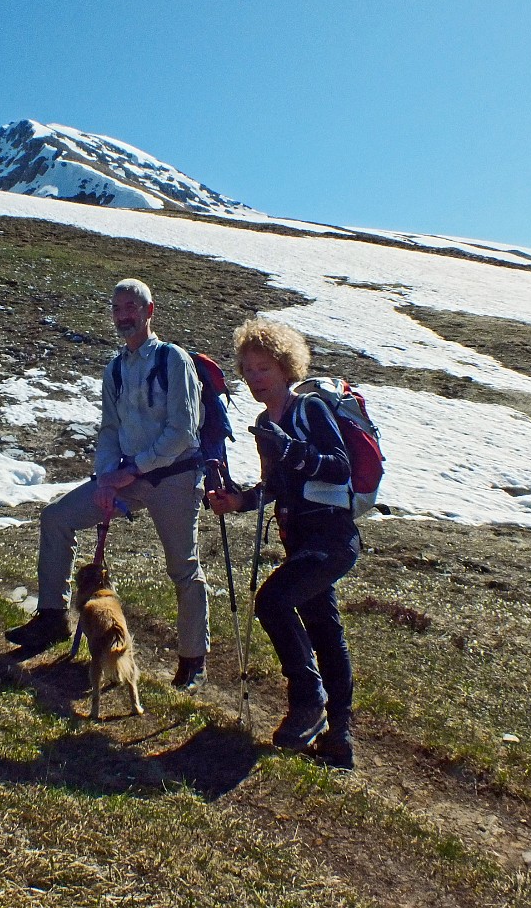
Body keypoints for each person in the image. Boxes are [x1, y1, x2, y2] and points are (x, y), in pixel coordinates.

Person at [7, 278, 211, 690]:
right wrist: (104, 478)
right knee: (56, 518)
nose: (123, 315)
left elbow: (183, 433)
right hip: (129, 477)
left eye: (131, 307)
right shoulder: (115, 369)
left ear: (149, 311)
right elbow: (109, 430)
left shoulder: (174, 360)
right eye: (117, 308)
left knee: (183, 568)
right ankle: (52, 618)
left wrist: (131, 469)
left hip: (174, 476)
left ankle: (193, 658)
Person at [207, 318, 358, 769]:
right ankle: (339, 739)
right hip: (303, 541)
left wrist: (290, 448)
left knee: (271, 602)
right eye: (248, 370)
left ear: (286, 367)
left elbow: (339, 467)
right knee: (327, 633)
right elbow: (276, 485)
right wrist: (238, 501)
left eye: (264, 368)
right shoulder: (263, 421)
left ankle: (308, 701)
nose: (255, 378)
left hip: (330, 538)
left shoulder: (309, 410)